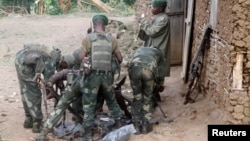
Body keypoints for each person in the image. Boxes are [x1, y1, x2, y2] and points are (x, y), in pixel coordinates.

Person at [80, 14, 123, 141]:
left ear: (93, 25)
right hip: (107, 76)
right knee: (111, 99)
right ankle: (119, 123)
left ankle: (88, 133)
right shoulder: (112, 39)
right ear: (105, 25)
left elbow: (81, 57)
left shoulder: (88, 38)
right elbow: (120, 58)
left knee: (89, 103)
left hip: (93, 76)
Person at [14, 42, 61, 133]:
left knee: (25, 90)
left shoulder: (49, 52)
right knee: (34, 94)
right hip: (25, 64)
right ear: (61, 61)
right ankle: (37, 124)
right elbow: (49, 82)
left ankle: (29, 120)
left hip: (19, 58)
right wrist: (51, 91)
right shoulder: (52, 60)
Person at [128, 46, 165, 134]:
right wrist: (160, 84)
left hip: (134, 70)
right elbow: (161, 71)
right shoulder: (159, 53)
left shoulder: (139, 50)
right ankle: (145, 126)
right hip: (148, 71)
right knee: (147, 98)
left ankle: (136, 126)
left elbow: (131, 63)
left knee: (137, 98)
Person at [138, 0, 170, 87]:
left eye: (153, 7)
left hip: (158, 49)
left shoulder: (163, 19)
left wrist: (144, 23)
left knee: (157, 72)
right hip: (151, 49)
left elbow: (152, 32)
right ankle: (152, 91)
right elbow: (146, 36)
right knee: (150, 72)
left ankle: (156, 92)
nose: (151, 9)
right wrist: (142, 30)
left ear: (160, 9)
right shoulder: (156, 18)